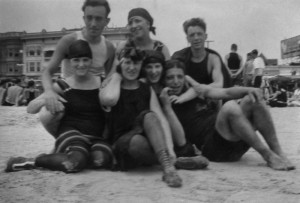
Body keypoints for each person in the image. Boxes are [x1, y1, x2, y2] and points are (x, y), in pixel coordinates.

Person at [160, 59, 295, 171]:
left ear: (185, 78)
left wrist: (250, 89)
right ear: (164, 81)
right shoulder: (166, 104)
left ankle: (278, 152)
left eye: (179, 76)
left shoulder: (196, 91)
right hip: (214, 149)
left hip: (235, 138)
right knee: (229, 107)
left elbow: (227, 92)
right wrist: (168, 107)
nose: (176, 81)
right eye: (170, 78)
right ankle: (268, 156)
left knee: (253, 99)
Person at [6, 40, 114, 173]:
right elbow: (30, 108)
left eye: (85, 60)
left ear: (91, 61)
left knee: (100, 160)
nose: (81, 64)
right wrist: (49, 97)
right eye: (76, 60)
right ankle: (30, 161)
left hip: (97, 135)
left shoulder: (102, 83)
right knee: (75, 162)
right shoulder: (63, 85)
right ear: (70, 62)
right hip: (72, 134)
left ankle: (69, 156)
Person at [100, 47, 182, 187]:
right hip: (123, 145)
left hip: (146, 141)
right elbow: (108, 99)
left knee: (150, 116)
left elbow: (161, 119)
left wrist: (170, 148)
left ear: (141, 66)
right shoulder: (111, 87)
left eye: (136, 63)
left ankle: (168, 168)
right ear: (120, 64)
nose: (132, 67)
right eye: (127, 63)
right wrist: (116, 76)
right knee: (136, 140)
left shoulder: (146, 88)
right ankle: (176, 162)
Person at [39, 0, 115, 136]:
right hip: (70, 97)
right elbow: (47, 71)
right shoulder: (69, 40)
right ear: (83, 18)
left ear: (106, 21)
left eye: (98, 19)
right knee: (46, 115)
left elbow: (109, 81)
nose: (93, 23)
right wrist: (49, 91)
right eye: (89, 18)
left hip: (93, 102)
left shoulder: (108, 47)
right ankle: (63, 142)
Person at [172, 17, 232, 89]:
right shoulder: (179, 58)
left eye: (199, 34)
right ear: (187, 39)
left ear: (205, 36)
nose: (196, 38)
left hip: (210, 97)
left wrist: (196, 90)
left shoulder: (213, 58)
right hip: (185, 97)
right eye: (192, 35)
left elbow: (219, 84)